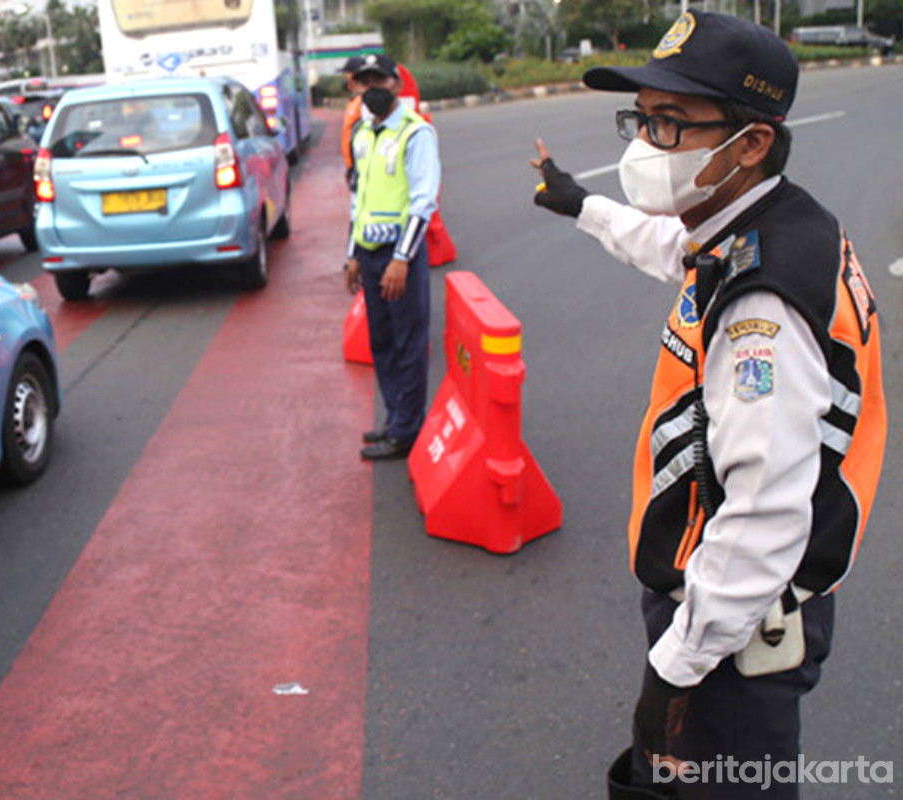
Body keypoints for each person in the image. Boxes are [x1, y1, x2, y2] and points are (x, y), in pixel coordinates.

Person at [530, 11, 886, 799]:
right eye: (643, 118)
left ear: (751, 142)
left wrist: (675, 668)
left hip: (736, 621)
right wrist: (579, 206)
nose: (645, 145)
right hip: (738, 606)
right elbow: (678, 254)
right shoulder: (763, 225)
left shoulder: (764, 306)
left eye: (672, 123)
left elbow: (763, 516)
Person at [344, 54, 442, 460]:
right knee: (381, 342)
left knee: (407, 343)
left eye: (379, 81)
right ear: (357, 87)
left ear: (397, 84)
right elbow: (358, 199)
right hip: (368, 253)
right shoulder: (363, 134)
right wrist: (352, 253)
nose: (372, 89)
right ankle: (394, 419)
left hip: (400, 256)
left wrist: (402, 259)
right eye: (365, 83)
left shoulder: (415, 133)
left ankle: (406, 430)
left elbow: (423, 203)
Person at [339, 55, 365, 190]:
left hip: (360, 164)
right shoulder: (354, 101)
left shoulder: (364, 102)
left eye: (347, 74)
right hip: (353, 164)